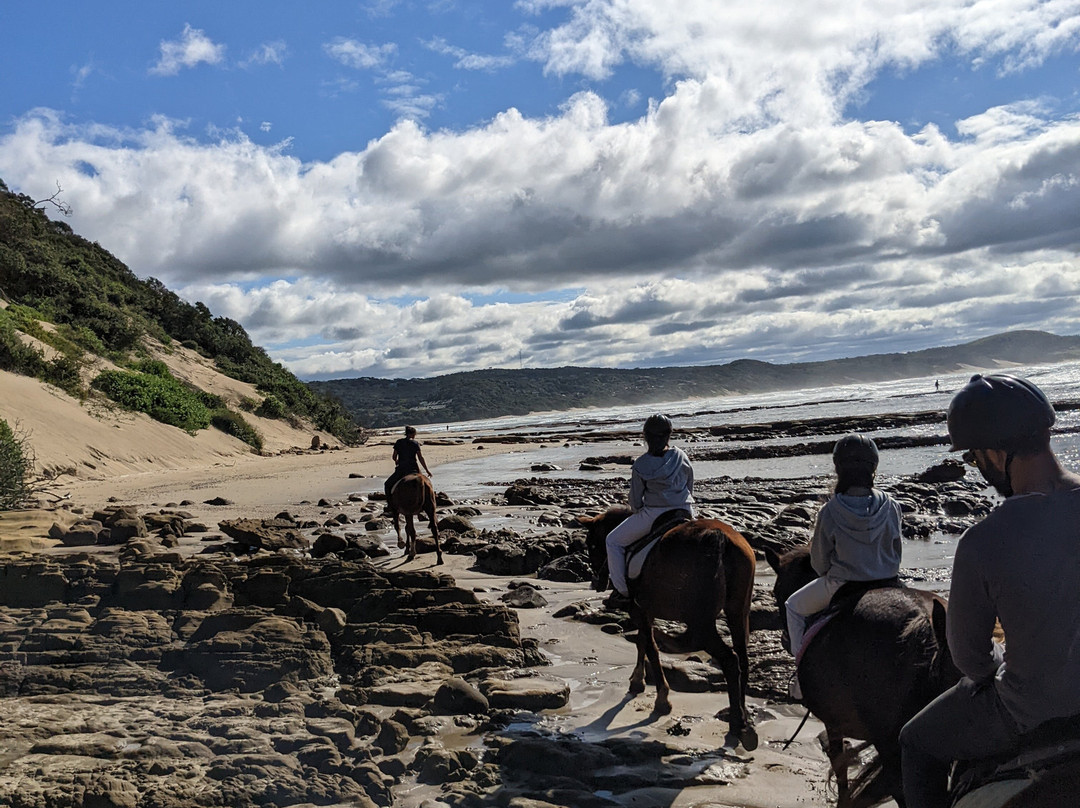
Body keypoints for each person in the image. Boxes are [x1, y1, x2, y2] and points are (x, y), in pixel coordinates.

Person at [900, 373, 1080, 808]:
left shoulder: (983, 540)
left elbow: (970, 659)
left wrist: (998, 664)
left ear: (998, 452)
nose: (979, 470)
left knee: (915, 743)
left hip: (1033, 711)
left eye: (977, 459)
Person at [785, 434, 903, 662]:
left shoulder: (830, 511)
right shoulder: (891, 505)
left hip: (842, 584)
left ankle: (800, 671)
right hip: (888, 580)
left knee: (793, 608)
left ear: (839, 468)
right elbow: (896, 551)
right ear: (873, 467)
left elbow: (819, 563)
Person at [605, 414, 694, 603]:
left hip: (654, 513)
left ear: (646, 437)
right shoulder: (681, 456)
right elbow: (690, 485)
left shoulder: (641, 464)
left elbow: (636, 502)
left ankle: (622, 591)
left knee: (613, 541)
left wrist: (638, 509)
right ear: (668, 435)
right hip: (685, 509)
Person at [384, 426, 432, 514]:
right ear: (413, 434)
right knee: (427, 484)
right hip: (414, 469)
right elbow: (420, 458)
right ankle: (432, 501)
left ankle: (390, 505)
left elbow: (394, 456)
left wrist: (397, 461)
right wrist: (427, 470)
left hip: (402, 469)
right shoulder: (415, 443)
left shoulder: (399, 442)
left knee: (387, 484)